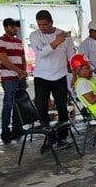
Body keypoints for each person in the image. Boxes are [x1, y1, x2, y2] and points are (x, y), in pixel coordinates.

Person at [29, 10, 75, 149]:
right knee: (41, 107)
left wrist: (75, 73)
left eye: (45, 24)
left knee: (62, 107)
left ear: (51, 22)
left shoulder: (64, 36)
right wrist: (56, 42)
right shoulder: (35, 35)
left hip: (60, 76)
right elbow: (40, 53)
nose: (42, 27)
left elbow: (71, 55)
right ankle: (50, 137)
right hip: (41, 76)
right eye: (39, 25)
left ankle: (62, 138)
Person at [0, 18, 28, 141]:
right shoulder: (0, 41)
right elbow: (4, 61)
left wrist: (23, 71)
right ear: (6, 27)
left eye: (16, 26)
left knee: (19, 104)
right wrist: (19, 71)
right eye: (13, 26)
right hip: (9, 78)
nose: (16, 28)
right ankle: (5, 130)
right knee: (8, 103)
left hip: (20, 77)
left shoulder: (19, 42)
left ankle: (17, 128)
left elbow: (23, 59)